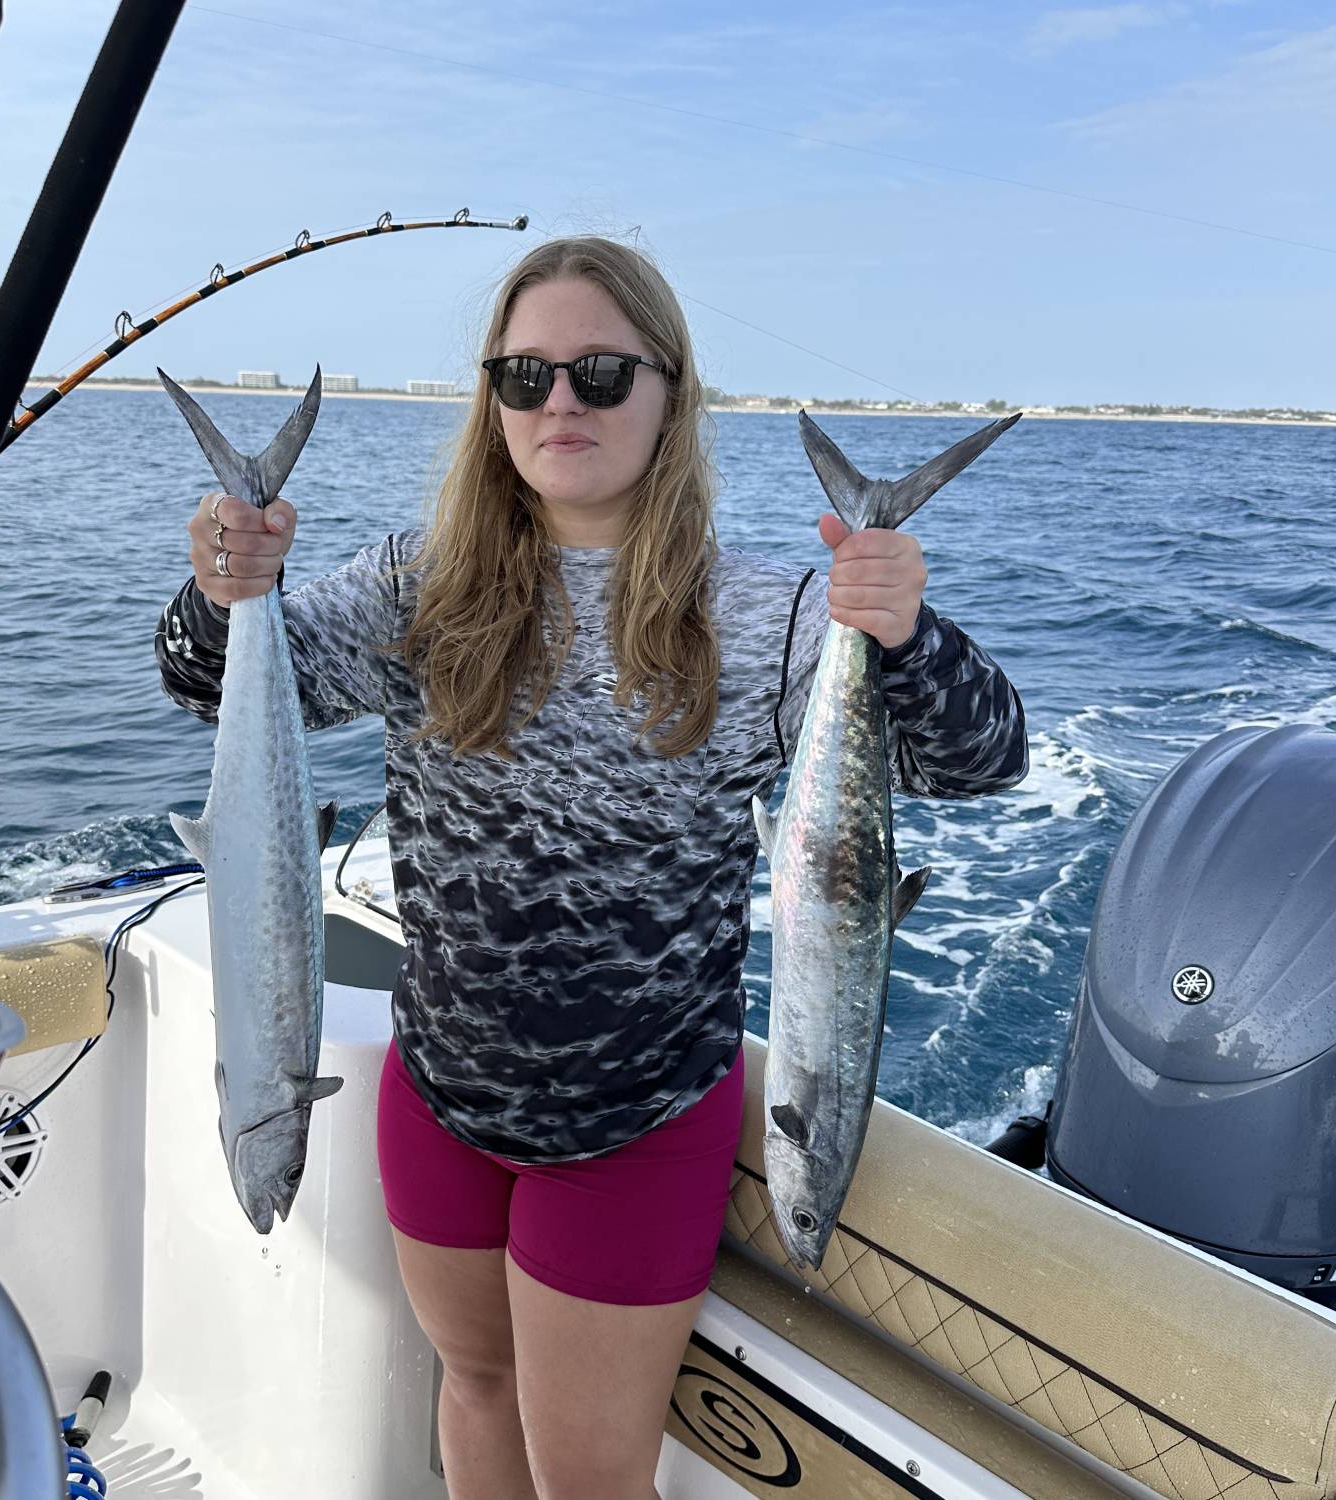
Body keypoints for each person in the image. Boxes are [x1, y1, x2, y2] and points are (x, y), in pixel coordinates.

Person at [155, 235, 1028, 1500]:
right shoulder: (416, 587)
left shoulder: (770, 616)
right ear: (493, 400)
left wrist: (905, 631)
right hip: (439, 1094)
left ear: (671, 393)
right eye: (525, 377)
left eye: (602, 374)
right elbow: (204, 681)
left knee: (590, 1479)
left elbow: (979, 761)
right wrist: (219, 587)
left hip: (633, 1128)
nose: (559, 403)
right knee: (473, 1388)